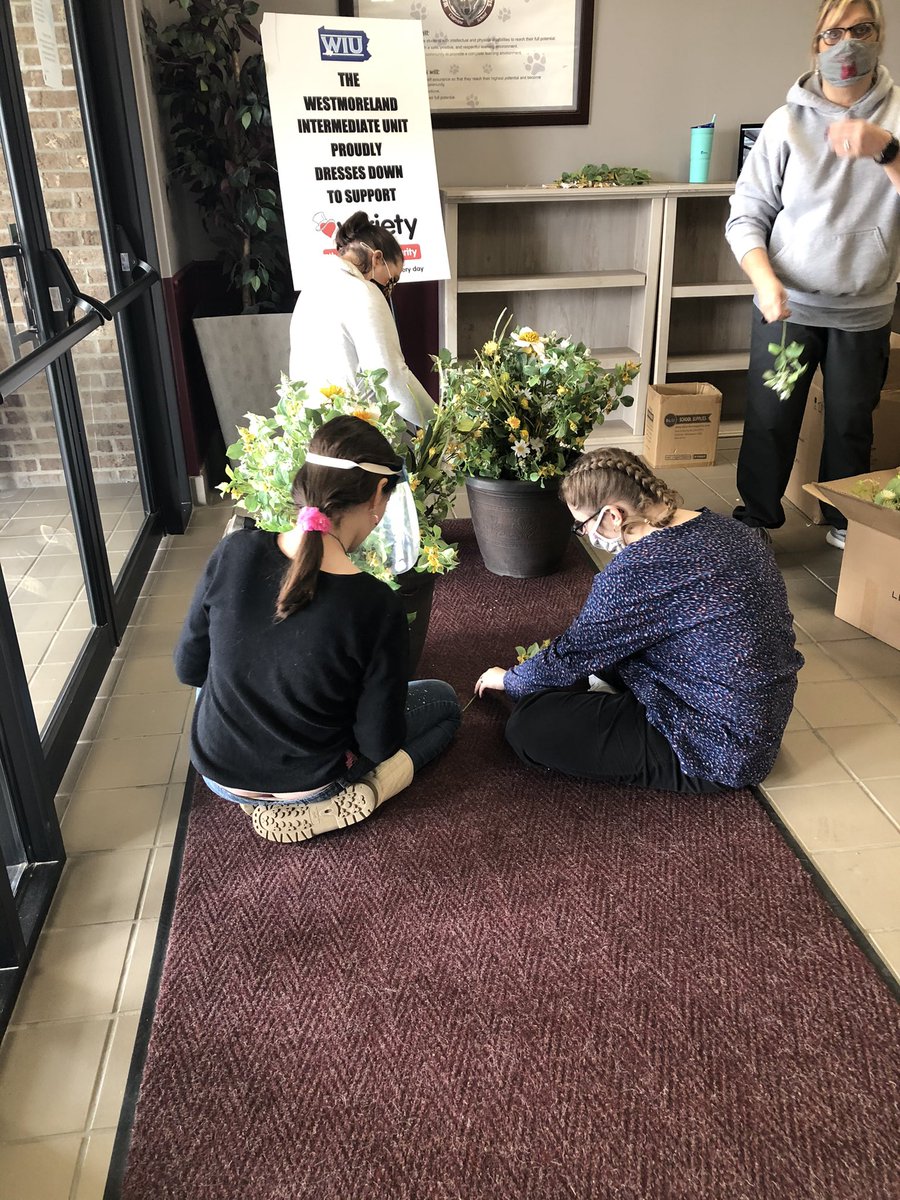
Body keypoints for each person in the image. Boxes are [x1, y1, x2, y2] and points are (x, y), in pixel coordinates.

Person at [174, 415, 460, 843]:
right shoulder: (376, 604)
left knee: (224, 660)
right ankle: (360, 796)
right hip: (309, 784)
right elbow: (378, 743)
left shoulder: (234, 550)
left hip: (217, 773)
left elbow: (189, 668)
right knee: (443, 701)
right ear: (379, 494)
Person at [474, 449, 803, 793]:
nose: (586, 536)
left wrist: (511, 679)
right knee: (588, 658)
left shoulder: (638, 570)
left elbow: (573, 652)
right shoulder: (729, 528)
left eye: (582, 526)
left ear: (613, 516)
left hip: (716, 750)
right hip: (757, 722)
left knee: (528, 726)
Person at [725, 0, 900, 550]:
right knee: (771, 417)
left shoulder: (898, 118)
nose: (847, 44)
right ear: (816, 46)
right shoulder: (785, 124)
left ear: (881, 37)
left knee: (852, 420)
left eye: (861, 30)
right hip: (788, 305)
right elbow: (746, 214)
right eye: (833, 33)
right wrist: (765, 281)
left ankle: (845, 521)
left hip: (864, 307)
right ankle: (756, 520)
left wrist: (888, 151)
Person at [288, 210, 435, 427]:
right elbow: (391, 377)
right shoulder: (363, 291)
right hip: (351, 435)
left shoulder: (311, 290)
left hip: (311, 430)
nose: (389, 289)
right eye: (392, 280)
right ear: (377, 258)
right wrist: (440, 423)